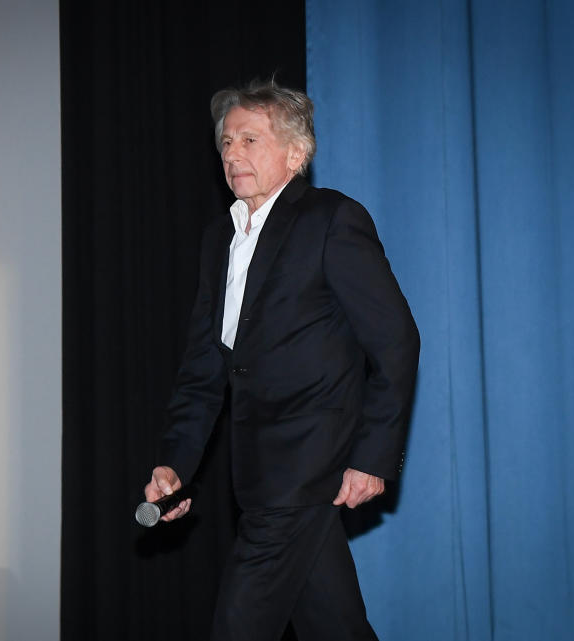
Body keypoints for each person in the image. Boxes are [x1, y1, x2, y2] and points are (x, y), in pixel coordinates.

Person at [144, 79, 420, 641]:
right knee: (334, 626)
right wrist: (176, 464)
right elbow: (205, 367)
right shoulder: (219, 237)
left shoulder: (331, 220)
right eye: (226, 142)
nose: (232, 153)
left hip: (308, 465)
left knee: (238, 628)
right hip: (258, 472)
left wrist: (373, 455)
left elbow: (395, 340)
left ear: (296, 154)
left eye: (249, 139)